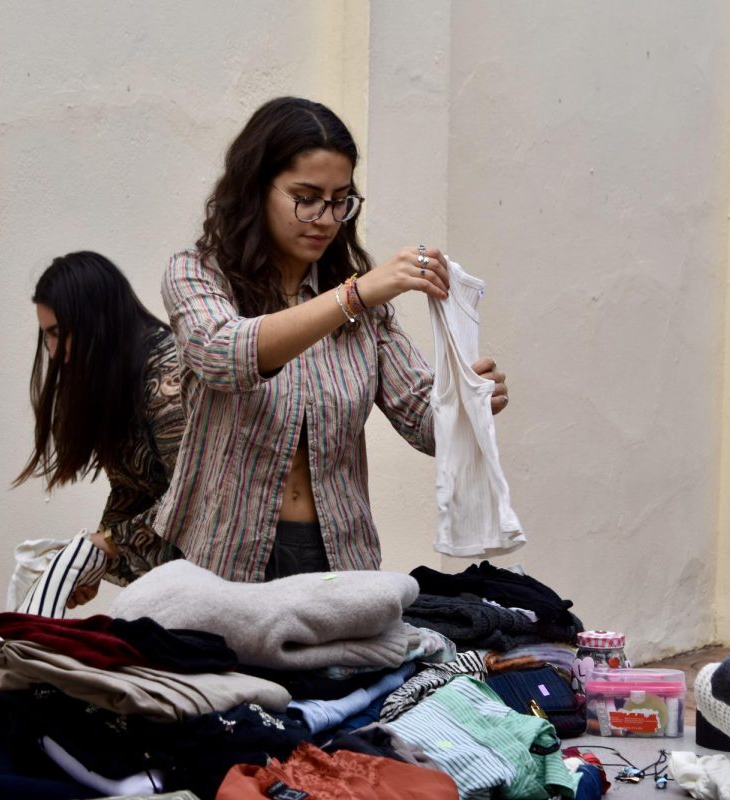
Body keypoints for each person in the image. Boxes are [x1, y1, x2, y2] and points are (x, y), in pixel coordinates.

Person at [155, 97, 509, 583]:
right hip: (219, 556)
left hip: (339, 559)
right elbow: (224, 354)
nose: (325, 217)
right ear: (257, 188)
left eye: (340, 199)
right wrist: (354, 295)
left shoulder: (366, 307)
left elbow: (422, 422)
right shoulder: (196, 273)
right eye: (306, 197)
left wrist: (469, 400)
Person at [13, 251, 182, 604]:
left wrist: (108, 545)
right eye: (47, 336)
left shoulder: (168, 382)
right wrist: (97, 561)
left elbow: (197, 500)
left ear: (95, 319)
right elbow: (132, 491)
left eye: (58, 333)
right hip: (183, 588)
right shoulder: (119, 375)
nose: (54, 350)